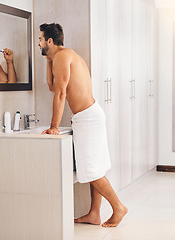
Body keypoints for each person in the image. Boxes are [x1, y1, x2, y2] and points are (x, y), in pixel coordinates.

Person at [38, 23, 127, 227]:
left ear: (49, 41)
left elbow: (60, 93)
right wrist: (47, 59)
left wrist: (54, 126)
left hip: (87, 118)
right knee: (96, 167)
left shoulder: (63, 56)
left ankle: (119, 207)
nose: (39, 42)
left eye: (41, 39)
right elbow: (52, 86)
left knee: (92, 170)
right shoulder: (60, 57)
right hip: (89, 116)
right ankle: (94, 213)